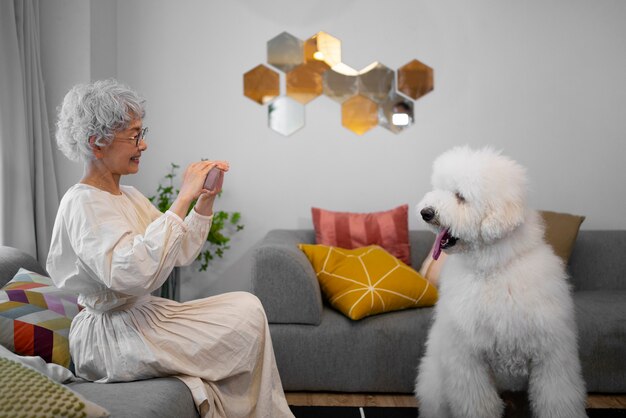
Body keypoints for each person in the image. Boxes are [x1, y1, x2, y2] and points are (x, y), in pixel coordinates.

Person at [46, 79, 294, 418]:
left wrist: (204, 201)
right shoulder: (82, 202)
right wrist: (182, 197)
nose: (144, 144)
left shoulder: (129, 195)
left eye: (141, 132)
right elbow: (130, 273)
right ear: (97, 143)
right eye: (133, 135)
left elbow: (179, 250)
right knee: (244, 317)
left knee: (247, 307)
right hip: (110, 336)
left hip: (140, 318)